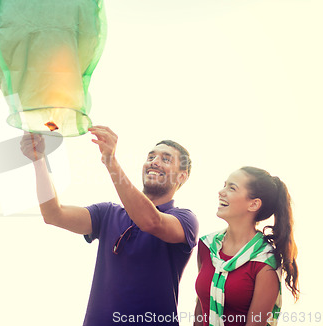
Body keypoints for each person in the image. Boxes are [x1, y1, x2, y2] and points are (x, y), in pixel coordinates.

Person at [21, 126, 199, 326]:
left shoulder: (185, 219)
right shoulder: (107, 213)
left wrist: (110, 161)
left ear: (182, 176)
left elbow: (151, 221)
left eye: (166, 159)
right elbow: (54, 214)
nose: (154, 162)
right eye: (150, 157)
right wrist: (38, 160)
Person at [194, 167, 299, 326]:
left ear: (254, 204)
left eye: (232, 188)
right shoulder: (207, 246)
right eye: (225, 185)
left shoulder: (265, 262)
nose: (221, 192)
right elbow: (200, 309)